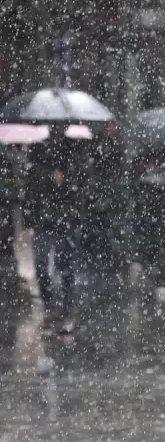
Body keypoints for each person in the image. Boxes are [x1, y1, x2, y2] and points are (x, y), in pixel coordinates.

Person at [25, 125, 86, 334]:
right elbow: (32, 184)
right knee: (41, 265)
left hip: (65, 219)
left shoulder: (73, 151)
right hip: (45, 218)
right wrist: (30, 215)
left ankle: (66, 313)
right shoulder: (38, 149)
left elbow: (80, 185)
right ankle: (52, 308)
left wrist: (65, 183)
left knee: (65, 267)